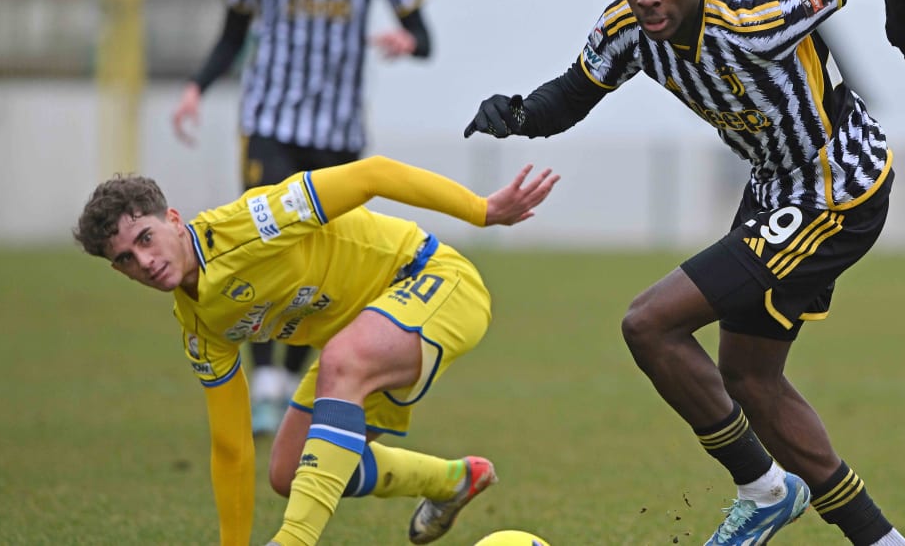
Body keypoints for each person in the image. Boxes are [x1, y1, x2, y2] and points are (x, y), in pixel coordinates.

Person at [465, 0, 905, 545]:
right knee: (749, 378)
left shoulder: (759, 17)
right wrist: (517, 113)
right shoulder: (628, 31)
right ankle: (876, 538)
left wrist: (903, 15)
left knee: (649, 323)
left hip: (838, 186)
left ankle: (764, 490)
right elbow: (574, 94)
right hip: (774, 189)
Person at [73, 156, 559, 545]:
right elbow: (232, 446)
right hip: (360, 335)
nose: (145, 261)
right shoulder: (198, 325)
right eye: (126, 260)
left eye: (145, 238)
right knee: (289, 472)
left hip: (435, 280)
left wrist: (480, 210)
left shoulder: (252, 222)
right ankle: (453, 481)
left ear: (173, 221)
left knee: (342, 361)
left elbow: (373, 175)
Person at [170, 0, 435, 434]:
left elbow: (425, 35)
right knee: (265, 240)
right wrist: (195, 87)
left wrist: (406, 40)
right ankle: (265, 380)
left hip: (338, 127)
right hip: (269, 118)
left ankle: (289, 379)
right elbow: (232, 34)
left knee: (321, 254)